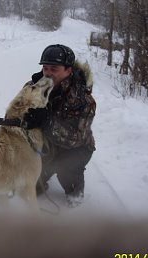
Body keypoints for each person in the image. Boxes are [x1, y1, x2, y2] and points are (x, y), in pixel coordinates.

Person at [23, 44, 96, 207]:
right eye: (45, 68)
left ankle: (75, 190)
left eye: (54, 69)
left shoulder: (82, 100)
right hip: (45, 145)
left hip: (75, 148)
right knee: (32, 185)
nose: (48, 73)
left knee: (67, 168)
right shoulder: (32, 87)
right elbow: (19, 110)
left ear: (68, 71)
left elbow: (76, 138)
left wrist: (47, 122)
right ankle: (42, 176)